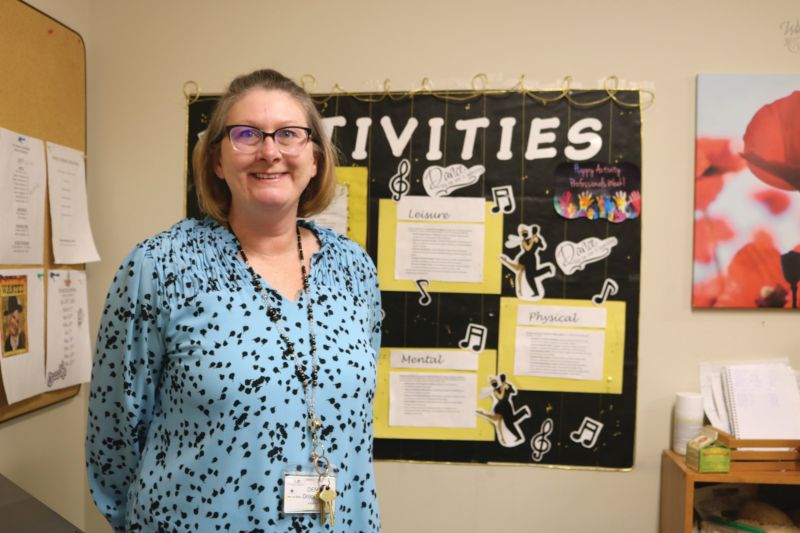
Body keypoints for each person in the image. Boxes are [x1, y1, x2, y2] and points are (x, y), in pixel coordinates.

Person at [86, 69, 382, 532]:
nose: (270, 151)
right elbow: (114, 437)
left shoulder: (353, 268)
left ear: (315, 160)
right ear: (217, 160)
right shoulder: (161, 266)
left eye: (289, 134)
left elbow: (356, 431)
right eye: (247, 134)